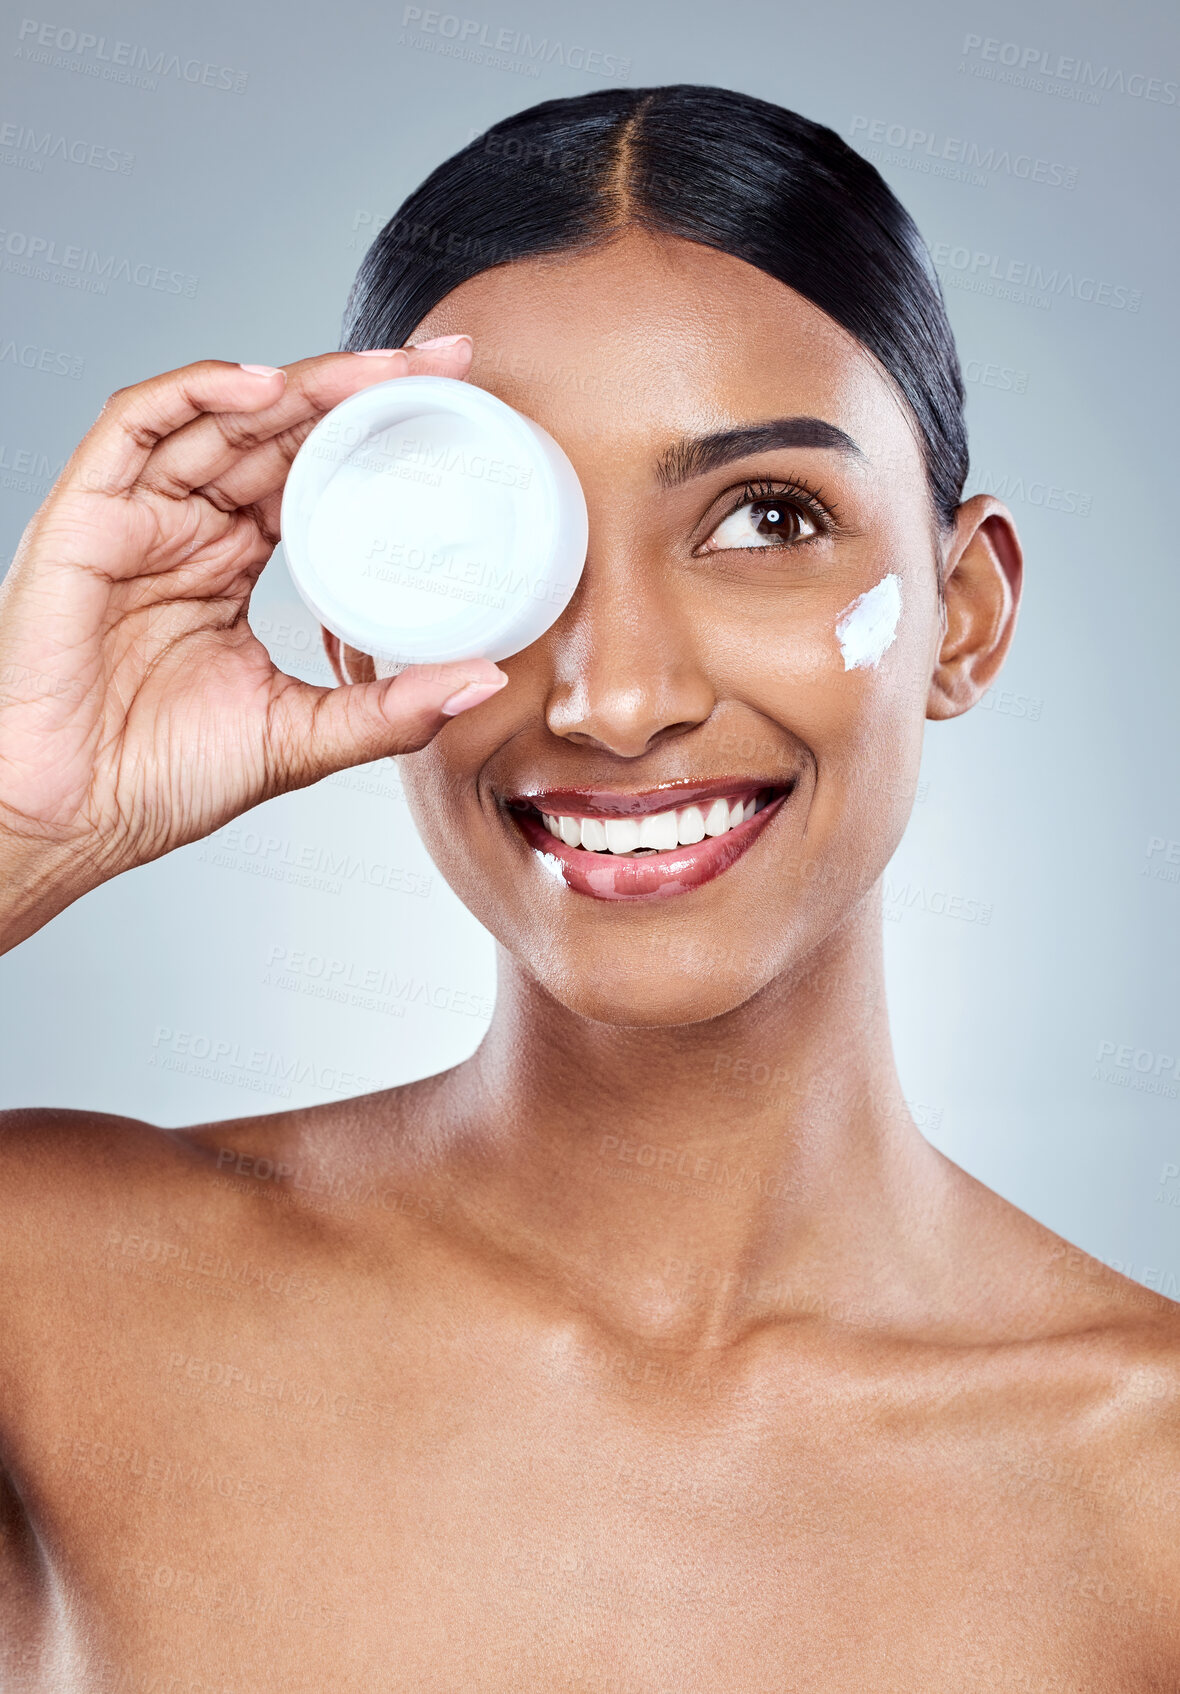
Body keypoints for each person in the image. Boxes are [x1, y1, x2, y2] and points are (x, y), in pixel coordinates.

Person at [0, 83, 1176, 1692]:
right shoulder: (57, 1300)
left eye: (767, 519)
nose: (615, 698)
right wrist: (20, 818)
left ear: (962, 613)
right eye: (498, 531)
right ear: (361, 627)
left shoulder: (1148, 1487)